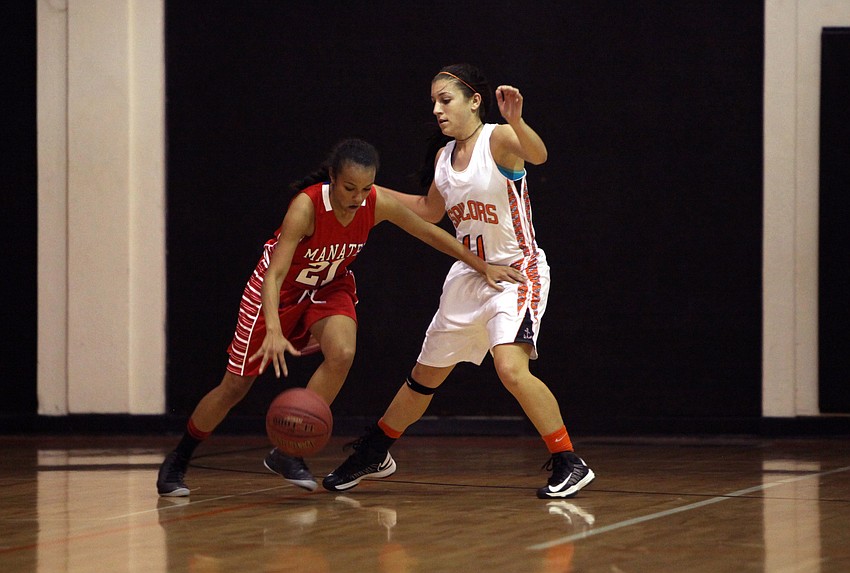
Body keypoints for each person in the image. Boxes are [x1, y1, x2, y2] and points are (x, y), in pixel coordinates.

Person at [156, 138, 523, 496]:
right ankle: (180, 457)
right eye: (349, 188)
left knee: (343, 352)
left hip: (329, 286)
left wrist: (482, 265)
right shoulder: (306, 206)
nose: (357, 197)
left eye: (365, 188)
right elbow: (275, 275)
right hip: (280, 292)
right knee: (235, 386)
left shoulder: (374, 203)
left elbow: (428, 232)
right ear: (332, 178)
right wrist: (273, 327)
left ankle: (288, 450)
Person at [323, 64, 595, 499]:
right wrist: (372, 192)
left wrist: (517, 121)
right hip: (470, 274)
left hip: (515, 271)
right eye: (433, 101)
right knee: (423, 376)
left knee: (510, 368)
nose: (436, 109)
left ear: (474, 101)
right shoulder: (443, 158)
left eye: (445, 100)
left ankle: (568, 460)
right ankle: (375, 452)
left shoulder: (499, 139)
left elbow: (539, 155)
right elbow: (429, 211)